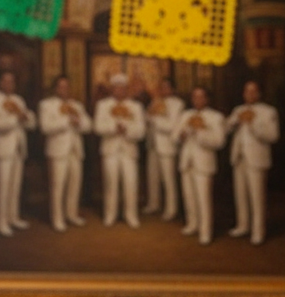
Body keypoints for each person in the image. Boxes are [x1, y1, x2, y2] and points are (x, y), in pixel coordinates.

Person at [0, 69, 37, 237]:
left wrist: (27, 117)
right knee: (2, 187)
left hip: (18, 147)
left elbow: (31, 124)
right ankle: (0, 222)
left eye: (12, 81)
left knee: (15, 185)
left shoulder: (19, 100)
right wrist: (15, 120)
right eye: (5, 81)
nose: (9, 84)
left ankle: (13, 217)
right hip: (1, 147)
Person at [226, 81, 279, 245]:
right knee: (240, 194)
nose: (250, 94)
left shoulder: (268, 111)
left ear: (259, 94)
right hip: (239, 157)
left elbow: (273, 136)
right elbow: (225, 128)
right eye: (247, 91)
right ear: (243, 94)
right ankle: (243, 225)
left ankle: (258, 232)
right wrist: (234, 121)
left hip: (257, 159)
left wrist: (253, 123)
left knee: (257, 197)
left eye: (253, 91)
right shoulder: (238, 110)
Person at [38, 75, 92, 232]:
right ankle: (57, 218)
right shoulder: (46, 105)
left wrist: (79, 122)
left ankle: (72, 214)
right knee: (57, 186)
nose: (64, 89)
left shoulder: (77, 105)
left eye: (67, 86)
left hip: (75, 149)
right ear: (55, 89)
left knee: (75, 184)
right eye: (61, 86)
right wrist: (66, 122)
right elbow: (45, 127)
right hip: (57, 150)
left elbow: (89, 125)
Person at [93, 73, 146, 228]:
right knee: (111, 183)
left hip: (129, 150)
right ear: (112, 89)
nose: (119, 91)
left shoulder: (136, 106)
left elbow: (141, 131)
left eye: (122, 88)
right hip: (110, 149)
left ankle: (131, 215)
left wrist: (127, 129)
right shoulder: (103, 105)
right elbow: (97, 127)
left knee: (130, 183)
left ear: (126, 89)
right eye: (116, 88)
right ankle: (110, 214)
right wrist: (113, 128)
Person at [175, 86, 226, 245]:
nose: (197, 100)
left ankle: (205, 232)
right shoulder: (185, 115)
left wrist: (200, 131)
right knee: (188, 196)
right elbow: (174, 136)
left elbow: (219, 142)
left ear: (207, 99)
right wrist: (182, 134)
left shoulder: (215, 117)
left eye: (201, 97)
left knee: (203, 199)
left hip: (204, 163)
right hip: (187, 161)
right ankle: (192, 224)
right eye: (194, 97)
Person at [144, 78, 185, 221]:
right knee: (152, 176)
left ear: (173, 89)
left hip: (167, 145)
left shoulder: (177, 104)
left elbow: (172, 126)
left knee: (168, 179)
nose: (163, 90)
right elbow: (147, 118)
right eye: (161, 87)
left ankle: (171, 208)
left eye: (167, 87)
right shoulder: (155, 102)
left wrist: (155, 119)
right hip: (153, 144)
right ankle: (154, 204)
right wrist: (150, 117)